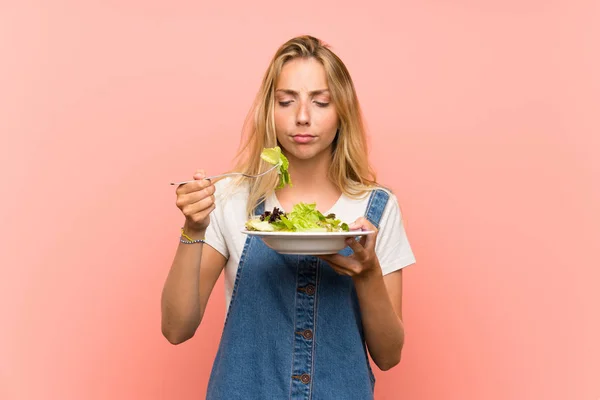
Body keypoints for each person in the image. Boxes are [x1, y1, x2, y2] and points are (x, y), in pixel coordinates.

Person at [161, 35, 416, 399]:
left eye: (321, 101)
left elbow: (389, 356)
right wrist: (193, 228)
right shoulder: (233, 199)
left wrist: (369, 273)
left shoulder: (376, 208)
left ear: (342, 111)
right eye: (286, 101)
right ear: (270, 109)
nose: (302, 117)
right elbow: (176, 328)